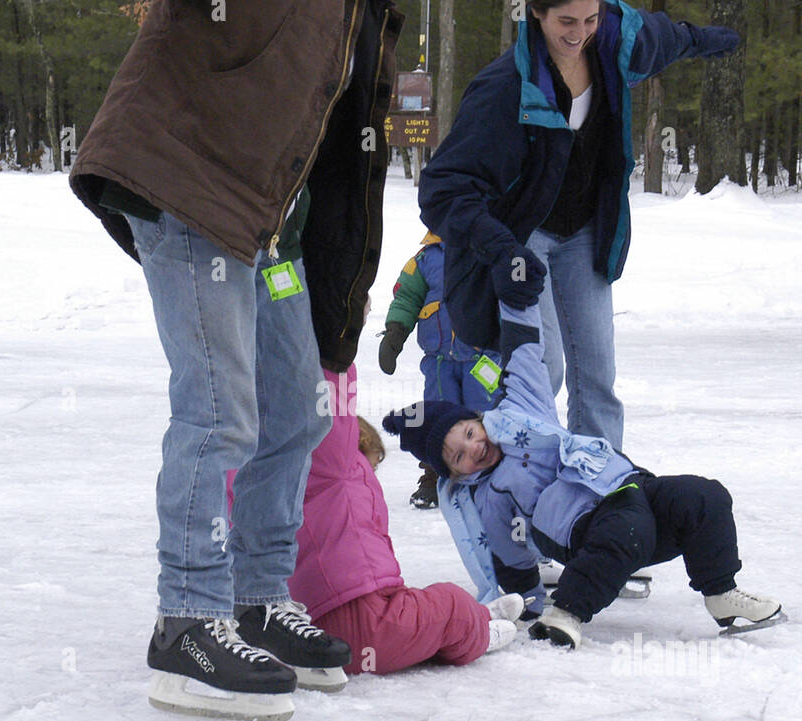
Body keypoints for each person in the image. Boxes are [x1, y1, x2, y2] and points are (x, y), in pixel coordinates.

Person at [0, 0, 469, 721]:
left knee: (300, 409)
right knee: (219, 407)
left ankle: (256, 603)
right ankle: (187, 623)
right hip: (185, 188)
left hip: (266, 230)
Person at [418, 0, 741, 452]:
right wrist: (499, 249)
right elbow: (442, 186)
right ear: (537, 14)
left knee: (598, 377)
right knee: (540, 372)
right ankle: (526, 482)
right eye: (566, 22)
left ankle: (601, 488)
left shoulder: (613, 46)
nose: (580, 33)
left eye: (589, 20)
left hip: (586, 233)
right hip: (526, 242)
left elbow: (665, 38)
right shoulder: (506, 87)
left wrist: (706, 40)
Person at [383, 302, 783, 650]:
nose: (472, 448)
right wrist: (525, 602)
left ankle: (721, 592)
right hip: (585, 528)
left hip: (630, 486)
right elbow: (509, 555)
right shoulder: (489, 496)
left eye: (469, 434)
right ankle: (566, 613)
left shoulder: (522, 411)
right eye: (458, 456)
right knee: (627, 529)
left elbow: (524, 352)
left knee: (703, 496)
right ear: (454, 473)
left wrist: (515, 290)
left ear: (479, 420)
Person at [285, 366, 526, 675]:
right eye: (369, 467)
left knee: (417, 609)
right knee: (449, 604)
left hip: (309, 627)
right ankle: (479, 631)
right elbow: (332, 406)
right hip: (363, 621)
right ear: (353, 443)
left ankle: (476, 617)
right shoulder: (337, 465)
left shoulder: (281, 480)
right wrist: (337, 342)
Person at [378, 232, 503, 509]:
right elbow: (406, 297)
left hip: (483, 359)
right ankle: (434, 476)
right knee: (438, 415)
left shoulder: (492, 248)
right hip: (439, 361)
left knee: (487, 413)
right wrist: (395, 332)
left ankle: (494, 477)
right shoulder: (425, 260)